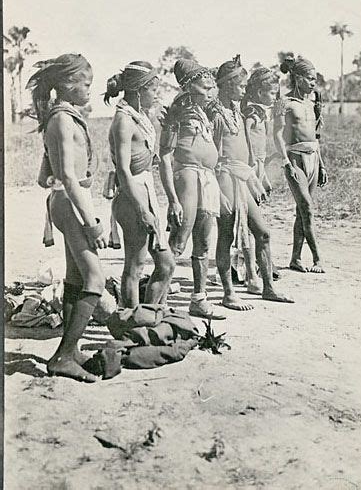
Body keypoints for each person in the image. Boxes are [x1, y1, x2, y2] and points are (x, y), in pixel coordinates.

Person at [26, 53, 107, 382]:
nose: (90, 89)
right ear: (66, 84)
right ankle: (62, 355)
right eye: (85, 84)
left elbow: (43, 175)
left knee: (75, 278)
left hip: (71, 199)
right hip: (71, 202)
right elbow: (68, 177)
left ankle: (70, 351)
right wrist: (92, 223)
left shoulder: (64, 115)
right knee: (95, 279)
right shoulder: (60, 118)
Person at [207, 55, 293, 303]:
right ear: (226, 85)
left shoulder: (236, 111)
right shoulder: (215, 115)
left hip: (242, 178)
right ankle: (228, 293)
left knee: (262, 233)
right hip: (225, 178)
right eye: (241, 86)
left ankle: (267, 288)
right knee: (226, 235)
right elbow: (212, 155)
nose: (245, 91)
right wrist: (219, 191)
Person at [159, 59, 225, 319]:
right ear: (187, 87)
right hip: (187, 175)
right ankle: (160, 302)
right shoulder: (177, 113)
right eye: (204, 87)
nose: (210, 92)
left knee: (204, 240)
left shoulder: (204, 113)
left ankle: (198, 298)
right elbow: (164, 156)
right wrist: (173, 199)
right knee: (179, 239)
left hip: (208, 178)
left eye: (212, 88)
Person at [106, 61, 175, 308]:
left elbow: (144, 154)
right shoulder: (124, 121)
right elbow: (123, 171)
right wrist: (142, 210)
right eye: (152, 89)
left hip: (144, 192)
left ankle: (148, 315)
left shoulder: (140, 117)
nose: (156, 94)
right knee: (134, 268)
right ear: (137, 90)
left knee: (166, 265)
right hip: (132, 196)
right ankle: (132, 325)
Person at [273, 55, 328, 273]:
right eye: (309, 78)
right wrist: (286, 162)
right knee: (307, 207)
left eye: (315, 79)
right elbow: (276, 135)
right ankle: (317, 258)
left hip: (313, 158)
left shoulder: (313, 101)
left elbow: (316, 137)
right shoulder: (283, 103)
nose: (313, 83)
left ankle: (295, 258)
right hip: (294, 158)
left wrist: (322, 165)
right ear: (297, 78)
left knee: (301, 211)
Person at [241, 66, 282, 284]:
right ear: (259, 93)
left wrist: (263, 175)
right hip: (249, 167)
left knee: (254, 217)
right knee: (249, 221)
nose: (274, 97)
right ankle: (249, 268)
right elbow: (247, 138)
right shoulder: (251, 112)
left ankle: (257, 264)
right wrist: (252, 169)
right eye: (271, 93)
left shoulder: (260, 113)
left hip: (258, 166)